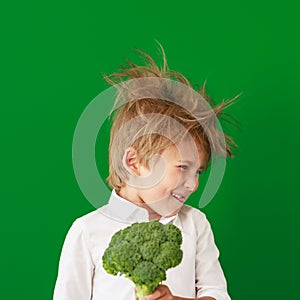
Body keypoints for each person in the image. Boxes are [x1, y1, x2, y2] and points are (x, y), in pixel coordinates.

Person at [53, 46, 238, 300]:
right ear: (134, 162)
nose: (194, 184)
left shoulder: (195, 224)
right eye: (183, 168)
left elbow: (217, 295)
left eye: (199, 172)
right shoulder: (87, 231)